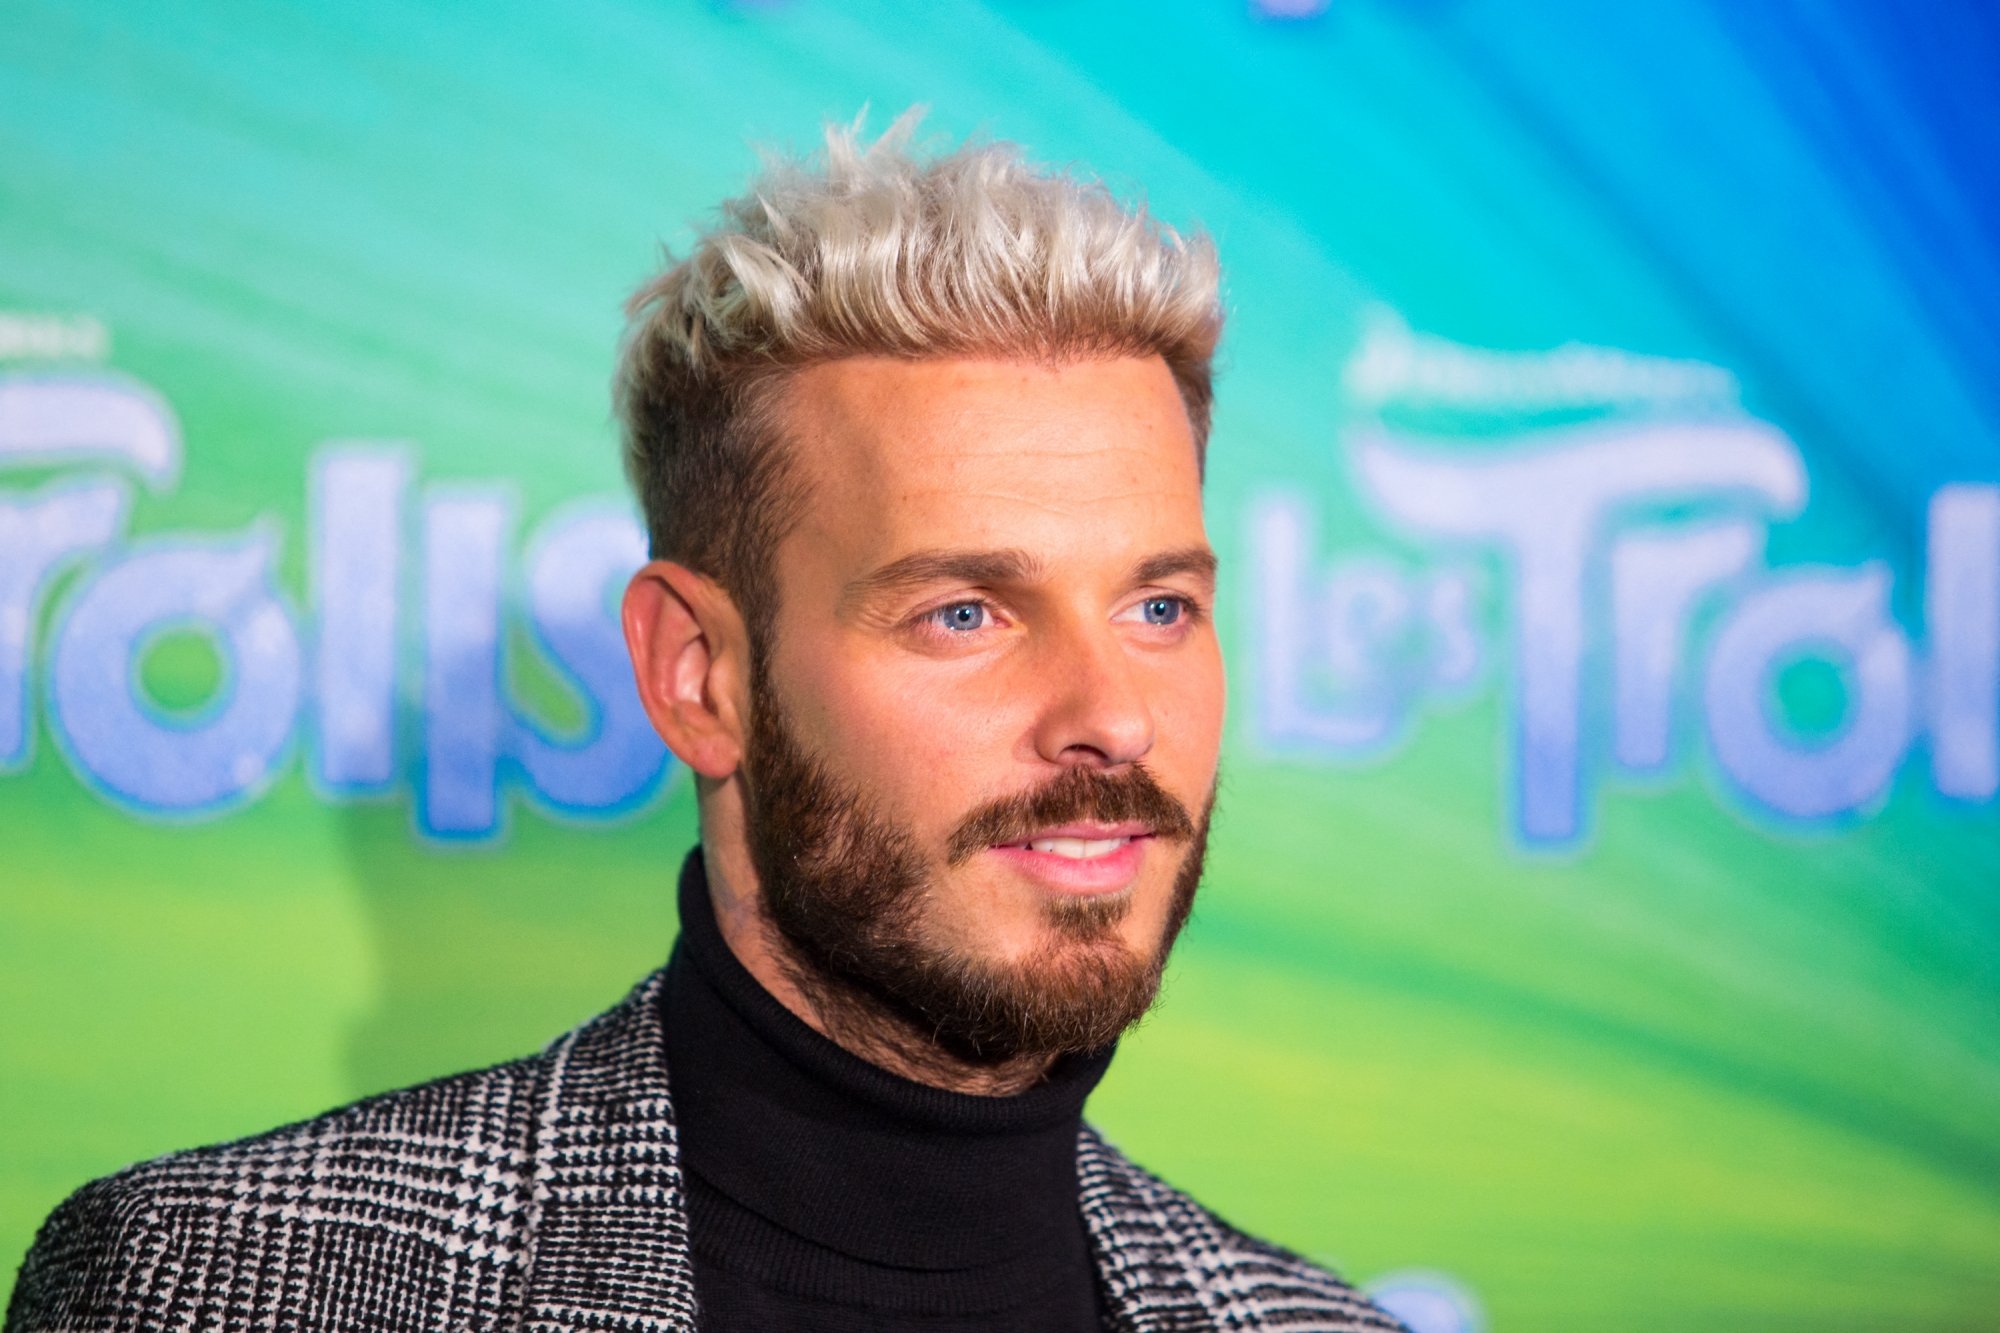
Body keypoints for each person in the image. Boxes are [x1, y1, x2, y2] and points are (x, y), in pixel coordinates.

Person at [7, 116, 1404, 1333]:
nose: (1111, 717)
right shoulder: (225, 1284)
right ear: (698, 675)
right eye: (965, 612)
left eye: (1160, 607)